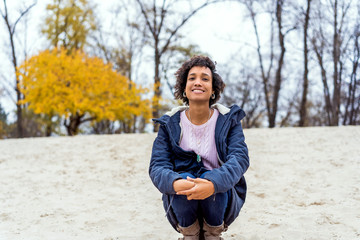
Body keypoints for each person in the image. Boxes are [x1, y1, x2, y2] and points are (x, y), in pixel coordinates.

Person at [149, 55, 249, 240]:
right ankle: (190, 234)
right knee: (185, 179)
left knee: (211, 177)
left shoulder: (229, 121)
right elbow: (157, 166)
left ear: (212, 90)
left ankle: (213, 234)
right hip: (182, 200)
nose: (198, 82)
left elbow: (240, 158)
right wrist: (175, 183)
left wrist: (212, 183)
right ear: (184, 89)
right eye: (192, 78)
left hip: (219, 198)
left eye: (205, 78)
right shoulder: (169, 125)